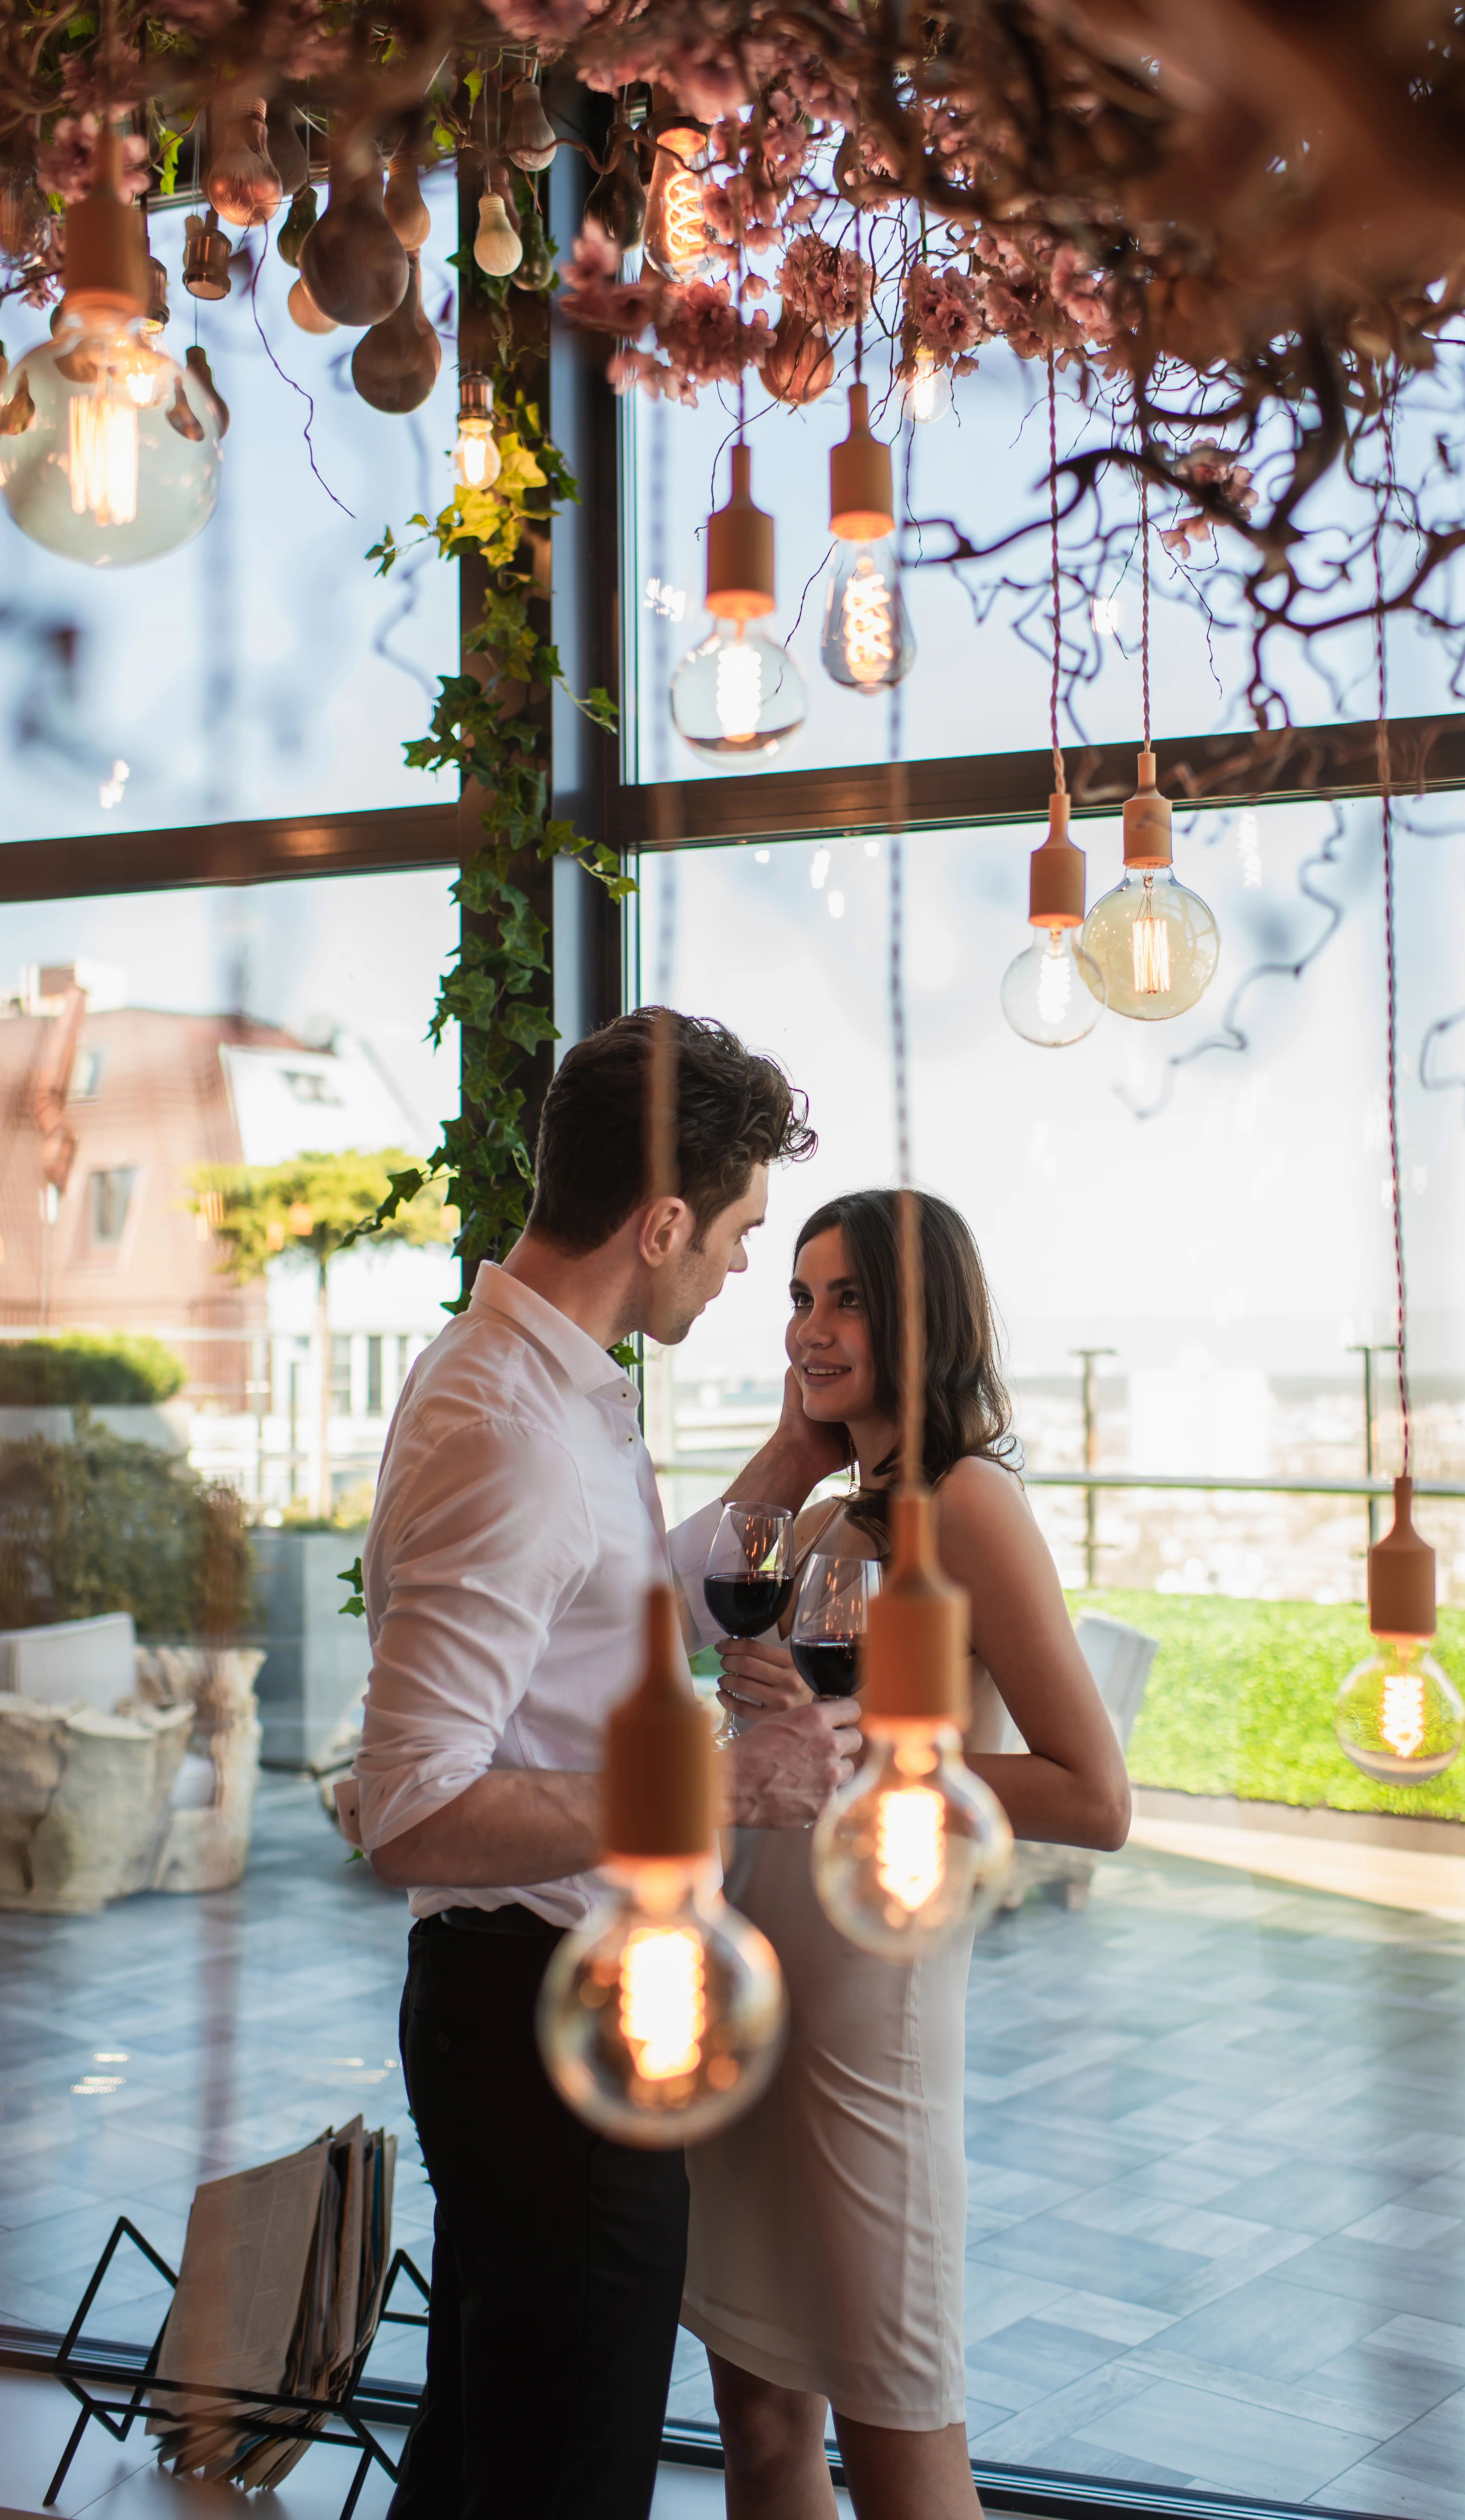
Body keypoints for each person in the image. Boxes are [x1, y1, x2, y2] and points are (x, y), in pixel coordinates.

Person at [341, 1011, 859, 2520]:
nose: (748, 1271)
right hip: (529, 2021)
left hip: (561, 2007)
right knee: (560, 2469)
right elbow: (414, 1810)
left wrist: (783, 1473)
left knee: (505, 2445)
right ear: (665, 1221)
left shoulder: (548, 1385)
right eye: (742, 1232)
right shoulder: (503, 1424)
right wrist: (732, 1784)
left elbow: (606, 1617)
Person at [681, 1189, 1132, 2520]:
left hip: (870, 2022)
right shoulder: (825, 1519)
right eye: (799, 1299)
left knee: (898, 2432)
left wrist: (878, 1748)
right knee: (759, 2422)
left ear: (920, 1319)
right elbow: (729, 1683)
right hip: (753, 1992)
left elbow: (1093, 1797)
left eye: (849, 1299)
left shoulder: (972, 1503)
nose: (812, 1328)